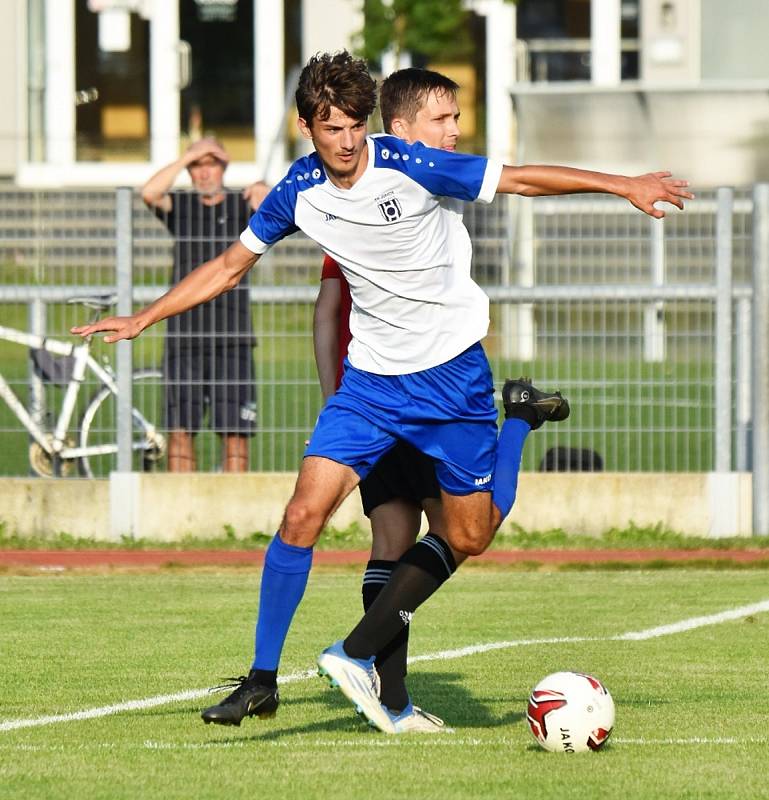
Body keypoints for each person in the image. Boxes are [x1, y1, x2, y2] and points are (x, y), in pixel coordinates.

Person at [72, 51, 692, 734]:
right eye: (330, 127)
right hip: (369, 386)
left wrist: (621, 183)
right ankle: (261, 679)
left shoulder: (409, 164)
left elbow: (518, 179)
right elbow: (226, 267)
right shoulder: (297, 190)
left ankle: (514, 421)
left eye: (353, 127)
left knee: (470, 535)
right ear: (306, 126)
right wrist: (142, 317)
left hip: (452, 379)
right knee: (301, 516)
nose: (344, 141)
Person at [310, 68, 562, 733]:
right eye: (442, 119)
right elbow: (327, 302)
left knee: (427, 534)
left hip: (412, 390)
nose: (455, 130)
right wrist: (339, 402)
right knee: (434, 531)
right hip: (390, 393)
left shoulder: (408, 185)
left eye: (456, 118)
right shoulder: (351, 198)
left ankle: (386, 699)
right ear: (399, 129)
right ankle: (373, 681)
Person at [141, 138, 269, 472]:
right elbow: (149, 193)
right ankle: (180, 519)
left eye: (211, 162)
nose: (204, 171)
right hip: (184, 337)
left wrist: (264, 190)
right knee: (180, 432)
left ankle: (233, 517)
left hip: (233, 337)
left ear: (224, 166)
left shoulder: (243, 204)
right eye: (198, 165)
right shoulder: (181, 205)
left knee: (235, 433)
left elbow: (285, 213)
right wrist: (187, 156)